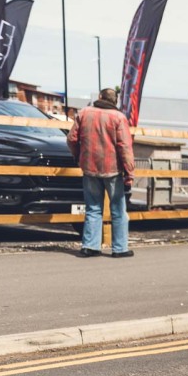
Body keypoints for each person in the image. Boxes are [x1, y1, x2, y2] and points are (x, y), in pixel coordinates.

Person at [67, 88, 135, 258]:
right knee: (118, 210)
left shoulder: (84, 113)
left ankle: (90, 246)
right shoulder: (119, 117)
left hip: (89, 167)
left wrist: (78, 156)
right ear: (115, 101)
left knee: (93, 208)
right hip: (112, 169)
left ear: (99, 97)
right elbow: (124, 147)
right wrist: (129, 172)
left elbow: (72, 139)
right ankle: (119, 249)